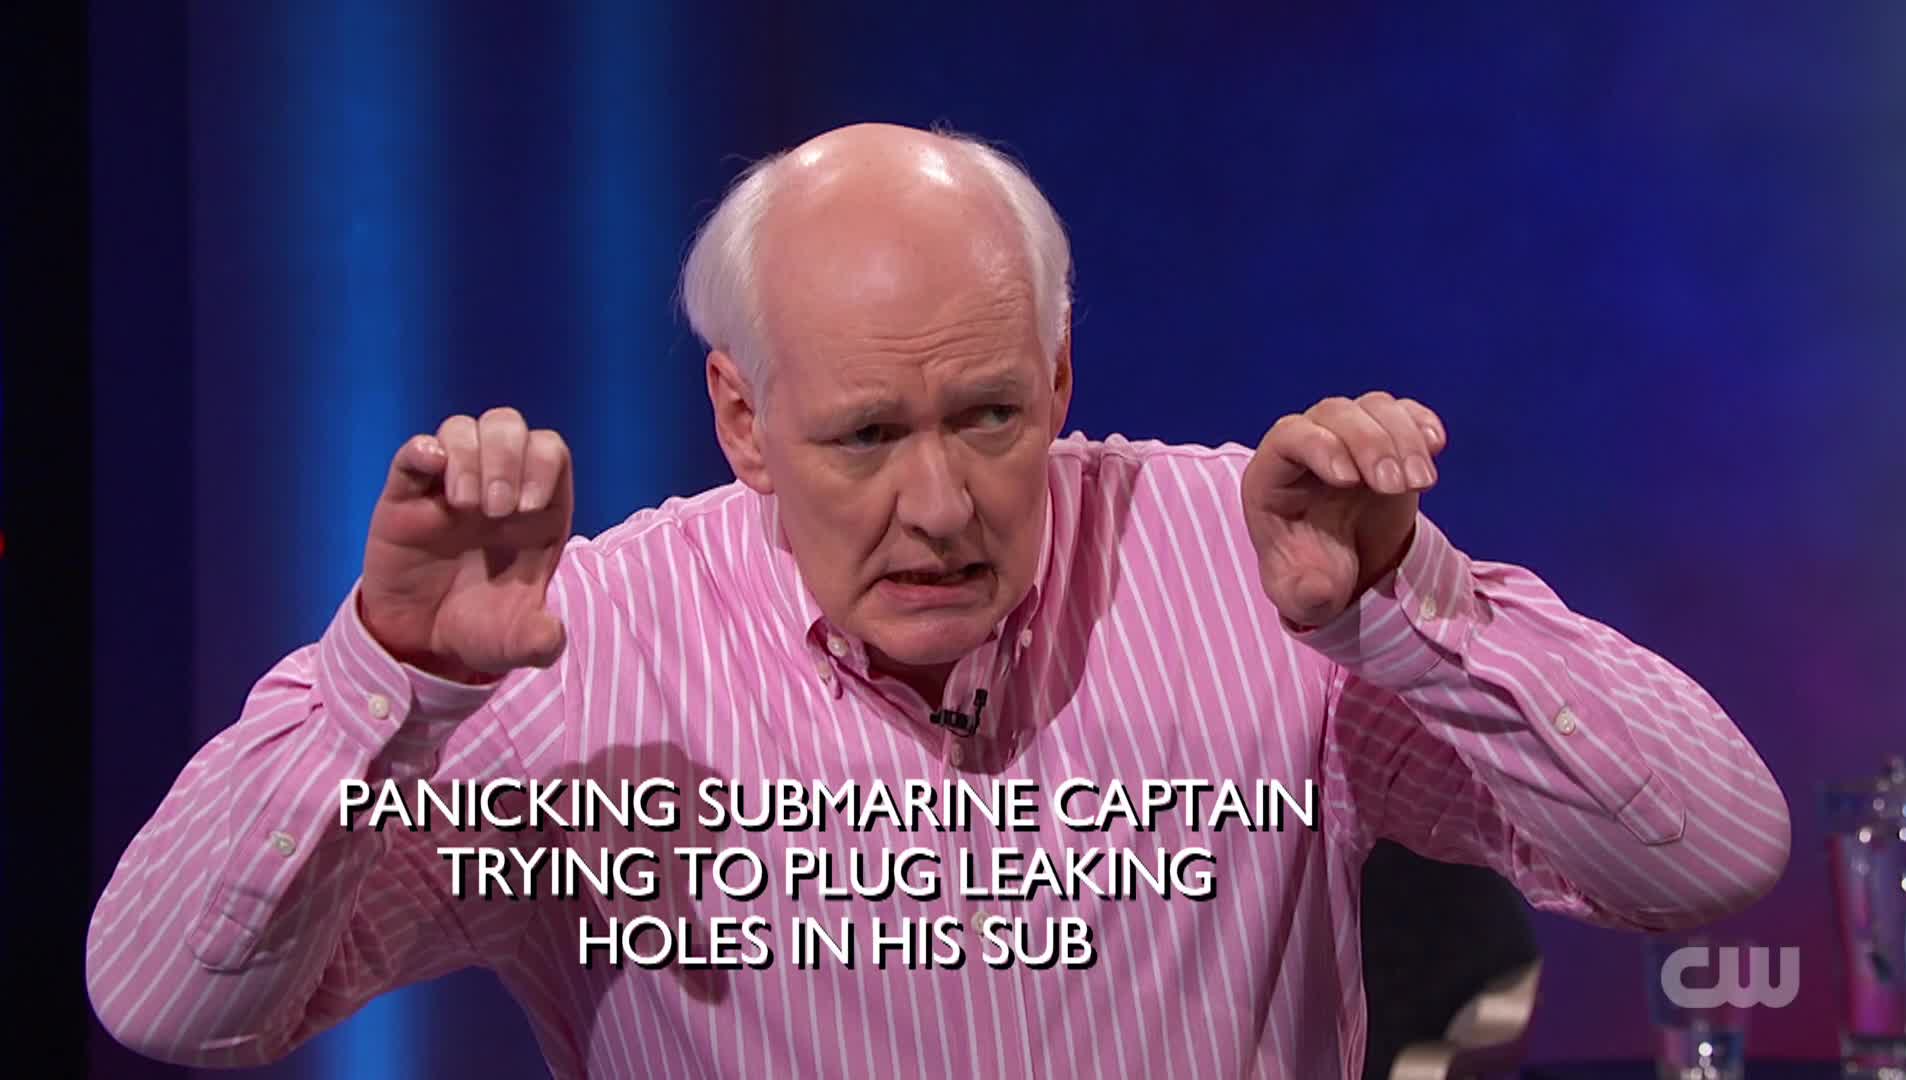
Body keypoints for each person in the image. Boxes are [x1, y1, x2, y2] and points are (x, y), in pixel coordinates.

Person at [86, 122, 1789, 1079]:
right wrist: (389, 678)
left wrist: (1407, 606)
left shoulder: (1263, 565)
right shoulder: (576, 652)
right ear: (741, 419)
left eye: (988, 416)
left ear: (1060, 376)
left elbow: (1712, 855)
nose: (942, 505)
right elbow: (171, 1003)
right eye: (863, 436)